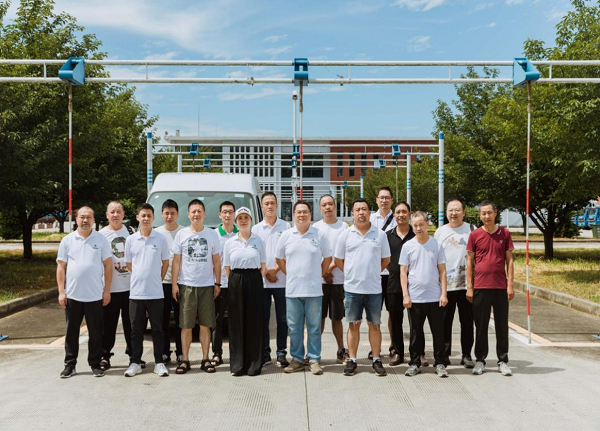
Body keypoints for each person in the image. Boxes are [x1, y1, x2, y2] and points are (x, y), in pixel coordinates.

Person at [335, 198, 391, 377]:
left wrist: (372, 272)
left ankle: (376, 359)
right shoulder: (345, 234)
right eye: (357, 209)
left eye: (364, 209)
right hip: (352, 289)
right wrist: (350, 273)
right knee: (353, 325)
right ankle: (352, 359)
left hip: (374, 289)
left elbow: (386, 260)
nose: (361, 212)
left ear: (369, 212)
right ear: (352, 213)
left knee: (375, 325)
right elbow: (338, 260)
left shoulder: (380, 235)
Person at [276, 201, 332, 375]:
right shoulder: (286, 235)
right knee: (294, 328)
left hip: (314, 290)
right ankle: (297, 359)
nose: (302, 215)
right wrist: (290, 273)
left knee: (314, 327)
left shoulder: (319, 234)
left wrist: (319, 273)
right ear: (294, 214)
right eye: (298, 212)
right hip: (293, 290)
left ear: (310, 214)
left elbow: (328, 258)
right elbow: (279, 258)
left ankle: (314, 359)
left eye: (305, 212)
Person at [56, 206, 112, 378]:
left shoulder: (101, 240)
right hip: (73, 295)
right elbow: (61, 266)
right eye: (82, 217)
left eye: (88, 217)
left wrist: (107, 291)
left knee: (95, 333)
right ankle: (70, 364)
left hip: (95, 295)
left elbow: (108, 266)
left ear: (93, 219)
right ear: (76, 219)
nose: (85, 220)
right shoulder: (68, 240)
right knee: (71, 332)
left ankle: (95, 364)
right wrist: (61, 292)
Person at [172, 199, 222, 374]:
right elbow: (176, 261)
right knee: (186, 325)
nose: (196, 214)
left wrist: (217, 282)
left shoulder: (211, 234)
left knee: (205, 325)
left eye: (199, 211)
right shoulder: (181, 234)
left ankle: (205, 358)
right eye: (193, 211)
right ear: (188, 214)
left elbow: (216, 260)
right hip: (187, 285)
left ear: (204, 214)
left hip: (206, 285)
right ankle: (185, 360)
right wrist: (174, 284)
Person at [467, 200, 515, 377]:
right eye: (483, 213)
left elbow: (509, 260)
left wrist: (510, 285)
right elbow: (470, 261)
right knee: (481, 326)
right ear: (480, 215)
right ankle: (480, 360)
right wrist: (470, 286)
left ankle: (503, 360)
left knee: (502, 325)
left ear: (495, 213)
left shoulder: (505, 233)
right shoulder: (475, 235)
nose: (486, 216)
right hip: (480, 286)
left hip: (500, 286)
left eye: (489, 212)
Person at [123, 203, 170, 377]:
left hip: (156, 293)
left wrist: (156, 278)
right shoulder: (131, 240)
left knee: (158, 329)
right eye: (143, 215)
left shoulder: (161, 239)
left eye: (149, 215)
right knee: (136, 330)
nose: (146, 218)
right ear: (137, 217)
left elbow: (165, 263)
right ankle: (135, 362)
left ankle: (159, 363)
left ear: (153, 218)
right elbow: (129, 264)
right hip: (136, 293)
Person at [400, 211, 449, 378]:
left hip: (435, 297)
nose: (418, 228)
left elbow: (442, 271)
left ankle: (440, 363)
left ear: (427, 224)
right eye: (415, 225)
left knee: (438, 332)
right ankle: (415, 363)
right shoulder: (408, 246)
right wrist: (405, 295)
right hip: (415, 298)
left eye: (421, 224)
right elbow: (403, 272)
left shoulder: (436, 244)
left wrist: (444, 294)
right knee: (415, 333)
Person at [223, 207, 267, 376]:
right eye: (240, 218)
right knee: (236, 322)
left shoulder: (258, 240)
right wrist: (236, 282)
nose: (243, 221)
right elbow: (227, 267)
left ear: (251, 220)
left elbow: (263, 265)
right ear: (236, 221)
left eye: (246, 217)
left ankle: (254, 364)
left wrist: (253, 280)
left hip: (254, 279)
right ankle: (238, 365)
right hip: (236, 280)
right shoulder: (230, 242)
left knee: (254, 321)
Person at [434, 198, 475, 368]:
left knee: (467, 322)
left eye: (457, 210)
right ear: (446, 212)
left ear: (463, 212)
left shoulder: (472, 230)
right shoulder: (440, 232)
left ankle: (467, 355)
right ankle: (444, 355)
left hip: (467, 285)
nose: (454, 213)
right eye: (450, 210)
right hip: (446, 286)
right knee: (444, 322)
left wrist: (472, 285)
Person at [252, 192, 291, 368]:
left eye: (272, 203)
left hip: (282, 280)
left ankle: (281, 353)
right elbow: (254, 254)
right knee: (263, 319)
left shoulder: (286, 226)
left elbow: (288, 252)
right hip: (262, 281)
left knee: (283, 319)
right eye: (266, 203)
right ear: (261, 207)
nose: (269, 206)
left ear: (277, 205)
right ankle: (265, 353)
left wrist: (275, 270)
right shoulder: (256, 229)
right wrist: (266, 272)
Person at [98, 201, 135, 372]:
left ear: (123, 214)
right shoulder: (100, 235)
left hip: (130, 287)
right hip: (109, 289)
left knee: (131, 325)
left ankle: (134, 356)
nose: (115, 215)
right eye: (112, 212)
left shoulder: (131, 232)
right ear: (107, 215)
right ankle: (105, 356)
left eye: (118, 211)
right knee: (108, 325)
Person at [313, 194, 349, 363]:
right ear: (320, 208)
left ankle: (341, 350)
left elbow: (343, 253)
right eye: (324, 205)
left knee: (337, 318)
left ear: (335, 206)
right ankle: (314, 353)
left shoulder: (344, 227)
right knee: (318, 319)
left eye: (330, 204)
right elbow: (313, 253)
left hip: (337, 280)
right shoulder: (315, 227)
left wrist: (329, 268)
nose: (327, 207)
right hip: (319, 281)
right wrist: (323, 272)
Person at [385, 201, 415, 366]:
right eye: (398, 212)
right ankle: (397, 352)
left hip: (416, 285)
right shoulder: (387, 236)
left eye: (404, 212)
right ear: (394, 215)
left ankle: (417, 353)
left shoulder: (416, 234)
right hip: (394, 284)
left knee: (416, 321)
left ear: (409, 214)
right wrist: (394, 270)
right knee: (395, 320)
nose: (401, 215)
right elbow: (384, 259)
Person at [369, 186, 397, 360]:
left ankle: (394, 346)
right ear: (377, 200)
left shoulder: (398, 218)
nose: (384, 200)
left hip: (392, 274)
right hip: (375, 275)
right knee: (374, 314)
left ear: (391, 200)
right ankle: (375, 348)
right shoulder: (370, 219)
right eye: (381, 197)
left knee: (393, 313)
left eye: (387, 197)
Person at [155, 199, 184, 364]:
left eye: (172, 213)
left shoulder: (184, 232)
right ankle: (164, 352)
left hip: (181, 282)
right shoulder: (157, 233)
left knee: (181, 320)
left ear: (177, 214)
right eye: (166, 213)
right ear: (162, 214)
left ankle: (181, 352)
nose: (169, 216)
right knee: (162, 320)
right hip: (161, 282)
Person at [212, 201, 238, 367]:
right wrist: (215, 282)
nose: (227, 215)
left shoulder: (240, 233)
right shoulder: (214, 235)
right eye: (224, 212)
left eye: (230, 212)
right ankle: (217, 353)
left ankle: (237, 354)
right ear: (220, 215)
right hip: (219, 284)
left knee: (236, 321)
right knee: (217, 321)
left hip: (236, 284)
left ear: (234, 214)